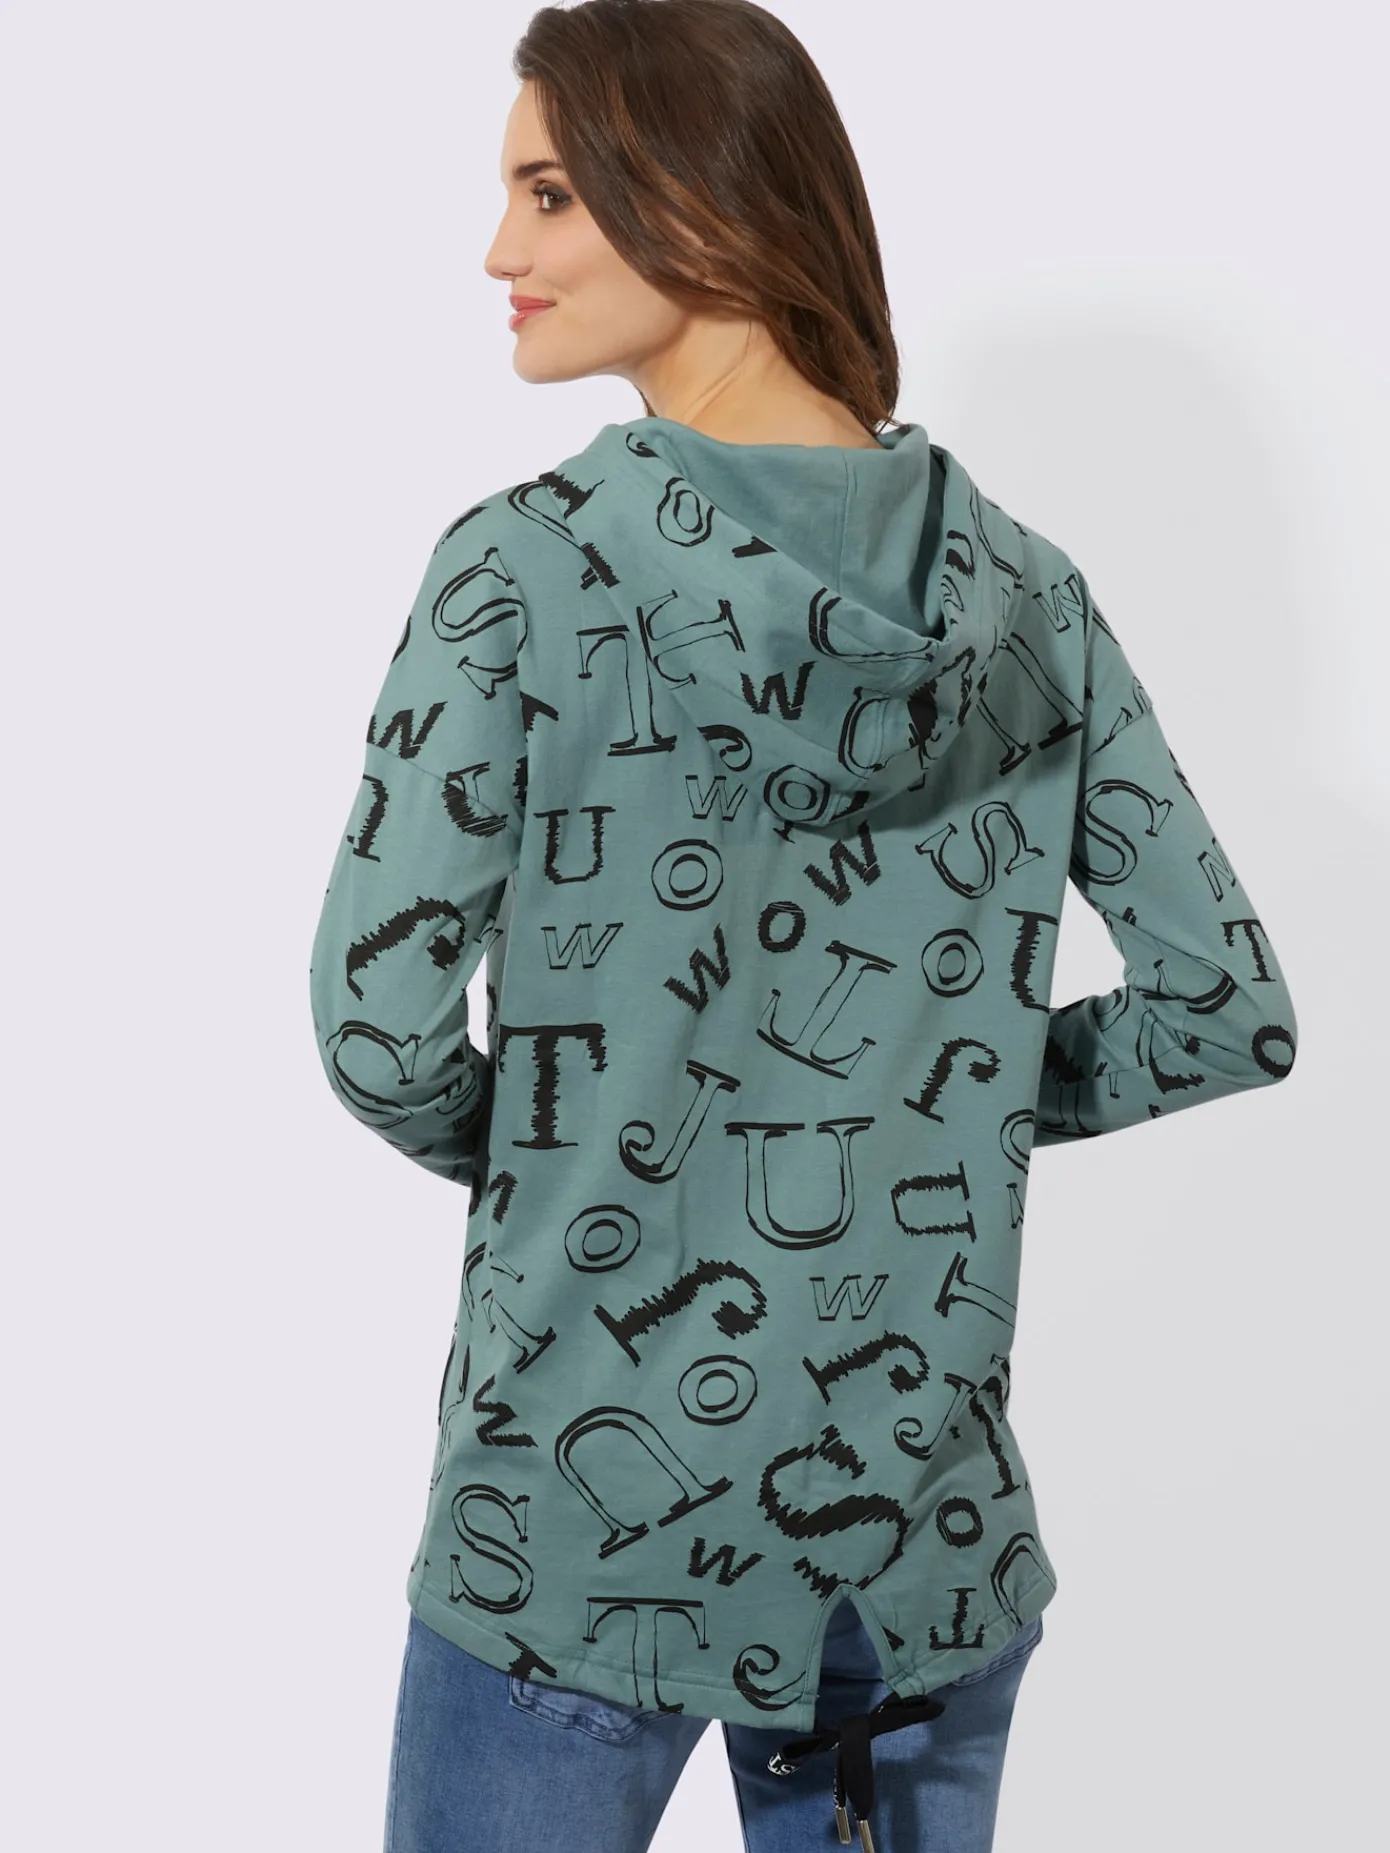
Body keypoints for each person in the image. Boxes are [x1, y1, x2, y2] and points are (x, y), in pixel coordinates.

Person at [306, 5, 1299, 1851]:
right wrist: (934, 1103)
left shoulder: (520, 574)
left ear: (698, 202)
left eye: (547, 192)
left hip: (572, 1525)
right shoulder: (1031, 597)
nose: (499, 248)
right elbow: (1223, 1008)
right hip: (913, 1540)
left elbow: (376, 1031)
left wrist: (576, 1152)